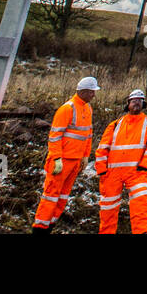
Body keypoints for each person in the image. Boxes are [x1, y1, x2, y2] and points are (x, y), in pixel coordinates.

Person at [33, 76, 99, 233]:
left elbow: (88, 135)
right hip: (61, 162)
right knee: (50, 196)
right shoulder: (67, 109)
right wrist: (56, 158)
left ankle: (50, 226)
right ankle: (40, 228)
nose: (93, 95)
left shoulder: (88, 109)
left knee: (62, 198)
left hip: (75, 162)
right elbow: (55, 136)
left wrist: (85, 156)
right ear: (83, 91)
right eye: (91, 92)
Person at [95, 89, 147, 234]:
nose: (136, 102)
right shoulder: (115, 124)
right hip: (112, 173)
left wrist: (144, 166)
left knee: (140, 206)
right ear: (128, 104)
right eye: (133, 100)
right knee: (108, 209)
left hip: (136, 172)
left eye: (139, 100)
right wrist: (102, 170)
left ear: (143, 104)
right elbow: (102, 148)